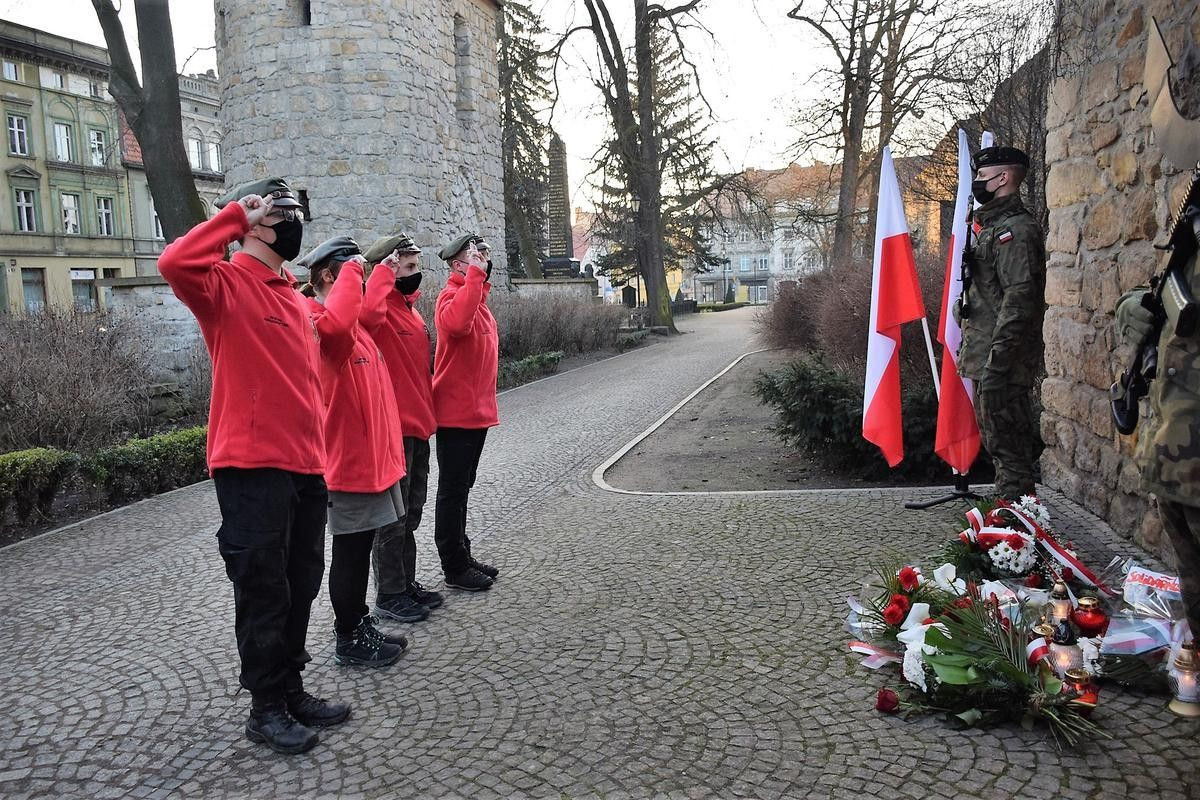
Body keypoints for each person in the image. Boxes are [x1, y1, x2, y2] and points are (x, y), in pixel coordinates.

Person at [158, 178, 348, 756]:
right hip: (251, 465)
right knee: (263, 589)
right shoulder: (225, 283)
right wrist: (235, 216)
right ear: (257, 223)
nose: (295, 226)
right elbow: (174, 261)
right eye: (283, 214)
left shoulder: (291, 293)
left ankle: (290, 687)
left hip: (305, 464)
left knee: (301, 583)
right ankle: (264, 707)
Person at [296, 236, 409, 666]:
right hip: (347, 462)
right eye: (351, 272)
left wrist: (378, 271)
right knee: (351, 551)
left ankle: (358, 620)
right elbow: (337, 328)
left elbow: (367, 315)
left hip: (370, 460)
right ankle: (348, 635)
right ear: (329, 276)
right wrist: (355, 276)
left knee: (360, 548)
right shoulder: (321, 320)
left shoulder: (349, 322)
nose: (357, 279)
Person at [1115, 213, 1200, 642]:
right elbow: (1161, 288)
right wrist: (1136, 303)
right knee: (1192, 578)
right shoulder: (1193, 227)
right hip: (1175, 448)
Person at [360, 233, 443, 622]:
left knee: (411, 511)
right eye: (406, 268)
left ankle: (405, 581)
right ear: (388, 269)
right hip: (394, 428)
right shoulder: (380, 308)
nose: (415, 274)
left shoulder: (411, 310)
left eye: (416, 266)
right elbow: (366, 317)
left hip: (418, 425)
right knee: (391, 518)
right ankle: (389, 593)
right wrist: (380, 274)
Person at [955, 146, 1046, 500]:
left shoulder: (1015, 231)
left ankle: (1017, 533)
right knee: (998, 445)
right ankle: (1010, 527)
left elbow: (1019, 302)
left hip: (1002, 361)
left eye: (981, 177)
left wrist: (998, 362)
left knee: (1010, 451)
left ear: (1003, 178)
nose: (977, 184)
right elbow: (992, 292)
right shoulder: (992, 227)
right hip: (987, 356)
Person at [432, 234, 501, 592]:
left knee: (463, 487)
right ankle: (453, 565)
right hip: (456, 414)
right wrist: (475, 277)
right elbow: (458, 324)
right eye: (476, 254)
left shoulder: (479, 299)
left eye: (484, 253)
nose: (484, 259)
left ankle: (463, 552)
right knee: (452, 490)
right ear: (458, 264)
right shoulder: (449, 297)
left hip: (476, 413)